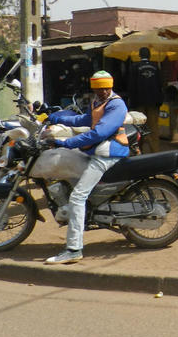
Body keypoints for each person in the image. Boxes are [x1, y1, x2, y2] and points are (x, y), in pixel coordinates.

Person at [43, 70, 131, 264]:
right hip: (97, 151)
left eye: (105, 89)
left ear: (110, 86)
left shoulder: (116, 104)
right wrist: (55, 117)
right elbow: (83, 120)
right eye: (98, 90)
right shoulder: (97, 102)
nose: (102, 92)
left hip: (109, 153)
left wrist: (65, 143)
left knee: (77, 197)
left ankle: (74, 249)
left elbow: (98, 133)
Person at [128, 46, 162, 152]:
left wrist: (132, 103)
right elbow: (160, 85)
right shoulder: (156, 66)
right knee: (153, 128)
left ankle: (138, 150)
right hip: (154, 103)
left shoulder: (134, 67)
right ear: (150, 55)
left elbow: (131, 86)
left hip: (139, 103)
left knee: (139, 127)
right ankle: (155, 151)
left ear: (139, 55)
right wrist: (159, 102)